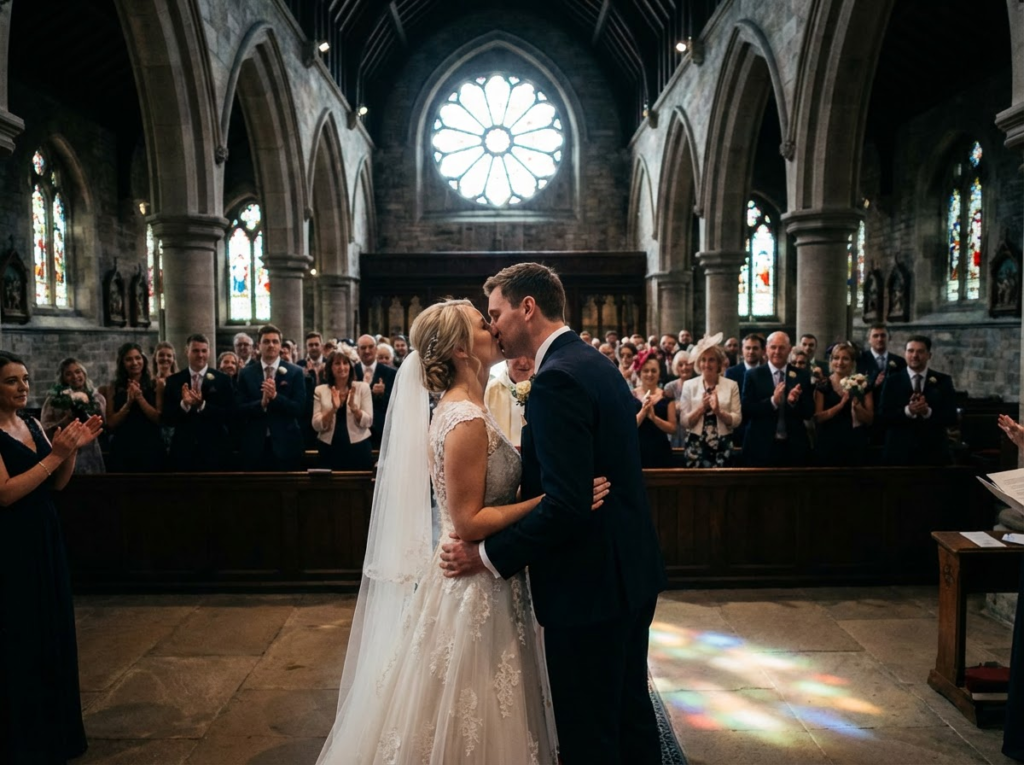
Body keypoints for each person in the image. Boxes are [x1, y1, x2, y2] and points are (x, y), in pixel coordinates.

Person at [316, 298, 610, 764]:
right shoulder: (464, 418)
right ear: (460, 348)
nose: (493, 326)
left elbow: (488, 490)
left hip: (488, 576)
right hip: (473, 584)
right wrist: (553, 499)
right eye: (482, 323)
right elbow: (469, 520)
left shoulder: (472, 406)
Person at [442, 263, 667, 764]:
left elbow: (565, 506)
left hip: (588, 587)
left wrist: (486, 556)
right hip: (629, 571)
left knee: (590, 734)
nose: (493, 326)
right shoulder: (592, 362)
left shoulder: (557, 380)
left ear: (528, 308)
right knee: (629, 715)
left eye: (496, 313)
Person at [0, 351, 102, 763]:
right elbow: (5, 493)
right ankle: (22, 739)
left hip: (44, 532)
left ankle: (55, 732)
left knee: (51, 627)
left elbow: (57, 484)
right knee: (20, 632)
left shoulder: (31, 423)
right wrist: (56, 455)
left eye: (25, 378)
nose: (23, 386)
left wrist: (71, 450)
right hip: (11, 542)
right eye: (12, 380)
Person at [235, 324, 307, 471]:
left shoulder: (295, 372)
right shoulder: (246, 373)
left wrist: (275, 396)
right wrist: (261, 404)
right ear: (258, 346)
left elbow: (299, 408)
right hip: (254, 444)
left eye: (275, 341)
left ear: (280, 345)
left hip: (286, 445)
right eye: (266, 341)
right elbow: (238, 408)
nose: (271, 345)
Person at [879, 335, 957, 465]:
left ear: (929, 355)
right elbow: (883, 415)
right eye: (911, 351)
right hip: (899, 451)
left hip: (933, 452)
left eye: (920, 351)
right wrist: (908, 411)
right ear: (905, 353)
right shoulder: (892, 381)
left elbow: (951, 417)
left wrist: (927, 412)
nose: (914, 355)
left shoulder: (943, 381)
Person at [161, 334, 234, 471]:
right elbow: (167, 418)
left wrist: (202, 405)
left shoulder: (222, 380)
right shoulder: (174, 381)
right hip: (183, 451)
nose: (200, 355)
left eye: (204, 351)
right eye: (195, 351)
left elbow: (230, 414)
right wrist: (184, 404)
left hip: (214, 450)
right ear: (186, 351)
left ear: (209, 352)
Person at [741, 331, 814, 467]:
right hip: (761, 446)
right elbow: (746, 409)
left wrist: (793, 402)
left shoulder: (802, 375)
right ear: (766, 349)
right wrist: (773, 402)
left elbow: (809, 412)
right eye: (773, 347)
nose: (777, 351)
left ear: (789, 349)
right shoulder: (753, 375)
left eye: (782, 348)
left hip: (793, 447)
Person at [678, 334, 741, 467]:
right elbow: (684, 421)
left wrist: (719, 412)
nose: (707, 364)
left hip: (723, 444)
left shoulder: (731, 385)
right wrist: (701, 408)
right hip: (696, 445)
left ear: (719, 363)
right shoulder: (689, 385)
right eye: (703, 360)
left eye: (711, 360)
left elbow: (737, 420)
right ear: (698, 363)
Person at [40, 357, 106, 474]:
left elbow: (104, 423)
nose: (75, 377)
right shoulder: (53, 400)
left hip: (90, 449)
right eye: (68, 374)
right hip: (66, 448)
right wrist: (65, 421)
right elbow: (45, 428)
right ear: (63, 378)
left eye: (78, 372)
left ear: (84, 373)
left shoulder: (96, 398)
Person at [106, 342, 165, 471]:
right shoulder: (114, 387)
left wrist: (139, 398)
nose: (134, 363)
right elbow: (110, 423)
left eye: (138, 358)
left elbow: (159, 418)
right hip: (123, 446)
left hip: (150, 445)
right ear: (122, 363)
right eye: (129, 359)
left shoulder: (156, 384)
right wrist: (128, 403)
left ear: (143, 359)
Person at [311, 348, 373, 470]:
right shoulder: (320, 390)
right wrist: (333, 409)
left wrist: (355, 409)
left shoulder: (363, 388)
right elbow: (316, 425)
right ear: (330, 367)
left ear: (350, 366)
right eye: (337, 363)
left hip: (358, 447)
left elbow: (368, 422)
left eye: (345, 363)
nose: (342, 367)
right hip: (329, 447)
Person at [814, 341, 874, 466]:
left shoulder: (862, 385)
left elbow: (870, 420)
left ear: (852, 362)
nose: (840, 362)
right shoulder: (823, 384)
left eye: (845, 359)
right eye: (836, 358)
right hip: (828, 442)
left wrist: (857, 407)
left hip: (855, 441)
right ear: (831, 361)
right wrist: (840, 405)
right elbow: (818, 418)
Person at [632, 350, 675, 468]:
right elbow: (627, 427)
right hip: (636, 449)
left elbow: (673, 428)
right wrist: (643, 412)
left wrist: (654, 418)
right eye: (646, 371)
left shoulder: (667, 397)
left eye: (653, 371)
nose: (650, 374)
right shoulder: (629, 396)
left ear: (659, 373)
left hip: (660, 449)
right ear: (639, 373)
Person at [354, 334, 397, 449]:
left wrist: (382, 394)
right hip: (357, 431)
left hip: (381, 431)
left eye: (370, 347)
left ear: (376, 349)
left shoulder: (390, 373)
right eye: (363, 348)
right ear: (357, 351)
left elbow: (396, 403)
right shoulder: (351, 371)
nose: (367, 351)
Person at [484, 354, 534, 448]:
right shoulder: (488, 393)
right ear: (506, 358)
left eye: (528, 353)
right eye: (517, 354)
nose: (523, 362)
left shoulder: (548, 391)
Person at [663, 350, 693, 448]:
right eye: (680, 365)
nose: (684, 368)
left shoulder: (700, 385)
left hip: (693, 432)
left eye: (687, 364)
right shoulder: (669, 387)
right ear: (676, 367)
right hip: (674, 434)